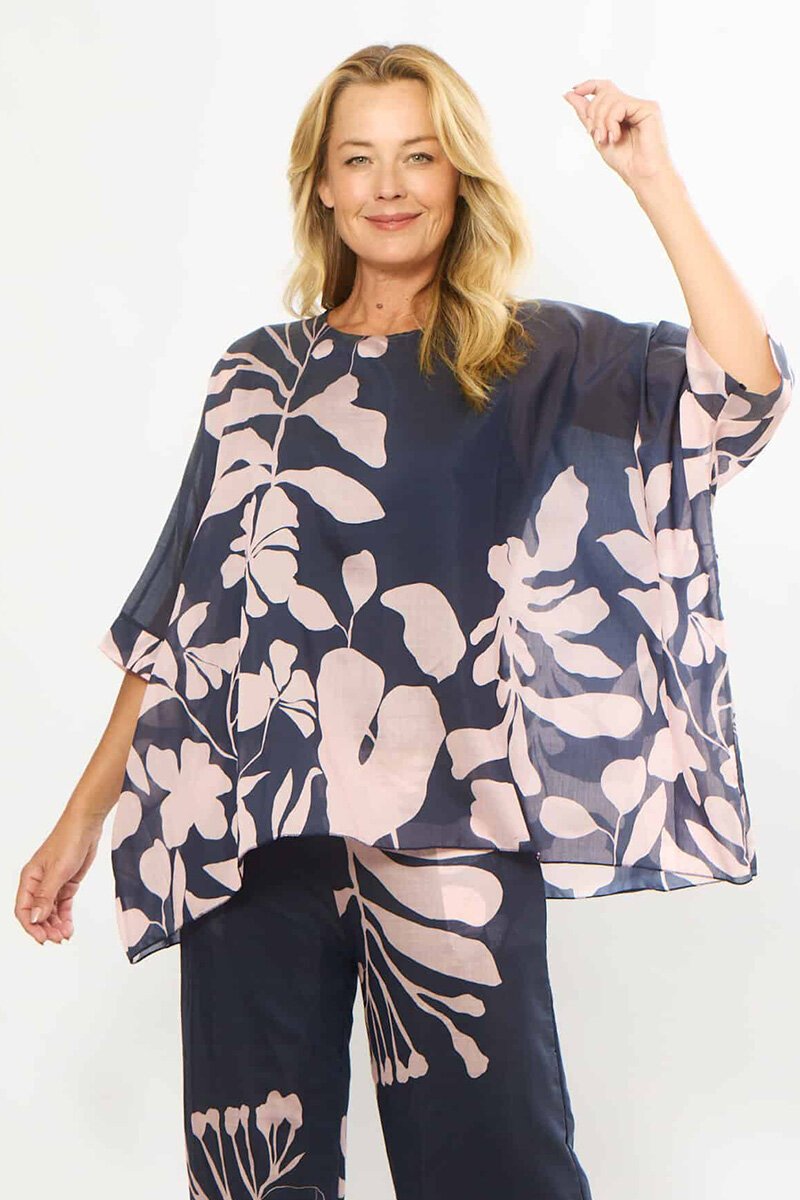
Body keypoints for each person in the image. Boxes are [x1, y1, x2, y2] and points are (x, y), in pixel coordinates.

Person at [15, 43, 793, 1200]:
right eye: (358, 158)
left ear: (457, 176)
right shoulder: (257, 376)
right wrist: (82, 819)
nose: (388, 185)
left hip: (451, 824)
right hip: (253, 828)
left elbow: (738, 399)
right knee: (251, 1176)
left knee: (497, 1169)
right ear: (321, 186)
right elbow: (183, 615)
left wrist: (653, 182)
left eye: (417, 156)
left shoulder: (526, 355)